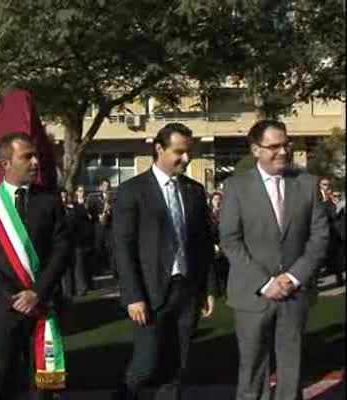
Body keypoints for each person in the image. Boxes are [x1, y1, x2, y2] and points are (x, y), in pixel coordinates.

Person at [219, 120, 329, 400]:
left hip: (296, 294)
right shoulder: (236, 187)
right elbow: (231, 241)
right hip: (253, 295)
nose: (283, 151)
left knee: (291, 370)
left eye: (286, 144)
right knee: (253, 370)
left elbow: (319, 239)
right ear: (256, 149)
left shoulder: (307, 183)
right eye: (274, 146)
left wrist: (292, 279)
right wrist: (265, 282)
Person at [113, 123, 215, 400]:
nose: (186, 158)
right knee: (145, 365)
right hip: (150, 293)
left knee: (177, 367)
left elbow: (203, 243)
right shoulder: (132, 191)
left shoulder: (194, 191)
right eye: (179, 152)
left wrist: (207, 288)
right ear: (159, 149)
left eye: (189, 152)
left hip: (186, 291)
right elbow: (122, 246)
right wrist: (133, 296)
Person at [0, 132, 70, 400]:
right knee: (4, 380)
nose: (36, 162)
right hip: (3, 309)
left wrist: (37, 292)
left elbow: (62, 250)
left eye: (35, 155)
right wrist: (10, 297)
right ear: (5, 163)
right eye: (27, 156)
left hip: (43, 305)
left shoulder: (50, 200)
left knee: (44, 384)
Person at [87, 178, 114, 276]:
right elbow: (91, 211)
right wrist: (98, 215)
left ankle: (112, 269)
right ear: (101, 187)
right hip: (98, 226)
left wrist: (110, 210)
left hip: (109, 227)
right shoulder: (94, 198)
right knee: (98, 248)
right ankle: (98, 269)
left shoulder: (112, 198)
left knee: (110, 247)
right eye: (104, 185)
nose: (106, 187)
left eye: (108, 185)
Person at [72, 185, 95, 295]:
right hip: (79, 238)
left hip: (89, 237)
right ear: (76, 192)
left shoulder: (89, 204)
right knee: (79, 265)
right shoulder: (75, 205)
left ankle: (89, 283)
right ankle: (82, 287)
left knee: (88, 263)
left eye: (84, 191)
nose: (82, 193)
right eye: (80, 191)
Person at [209, 191, 229, 297]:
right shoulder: (208, 215)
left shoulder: (226, 214)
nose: (218, 202)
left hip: (225, 247)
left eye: (219, 199)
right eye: (215, 199)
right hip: (213, 247)